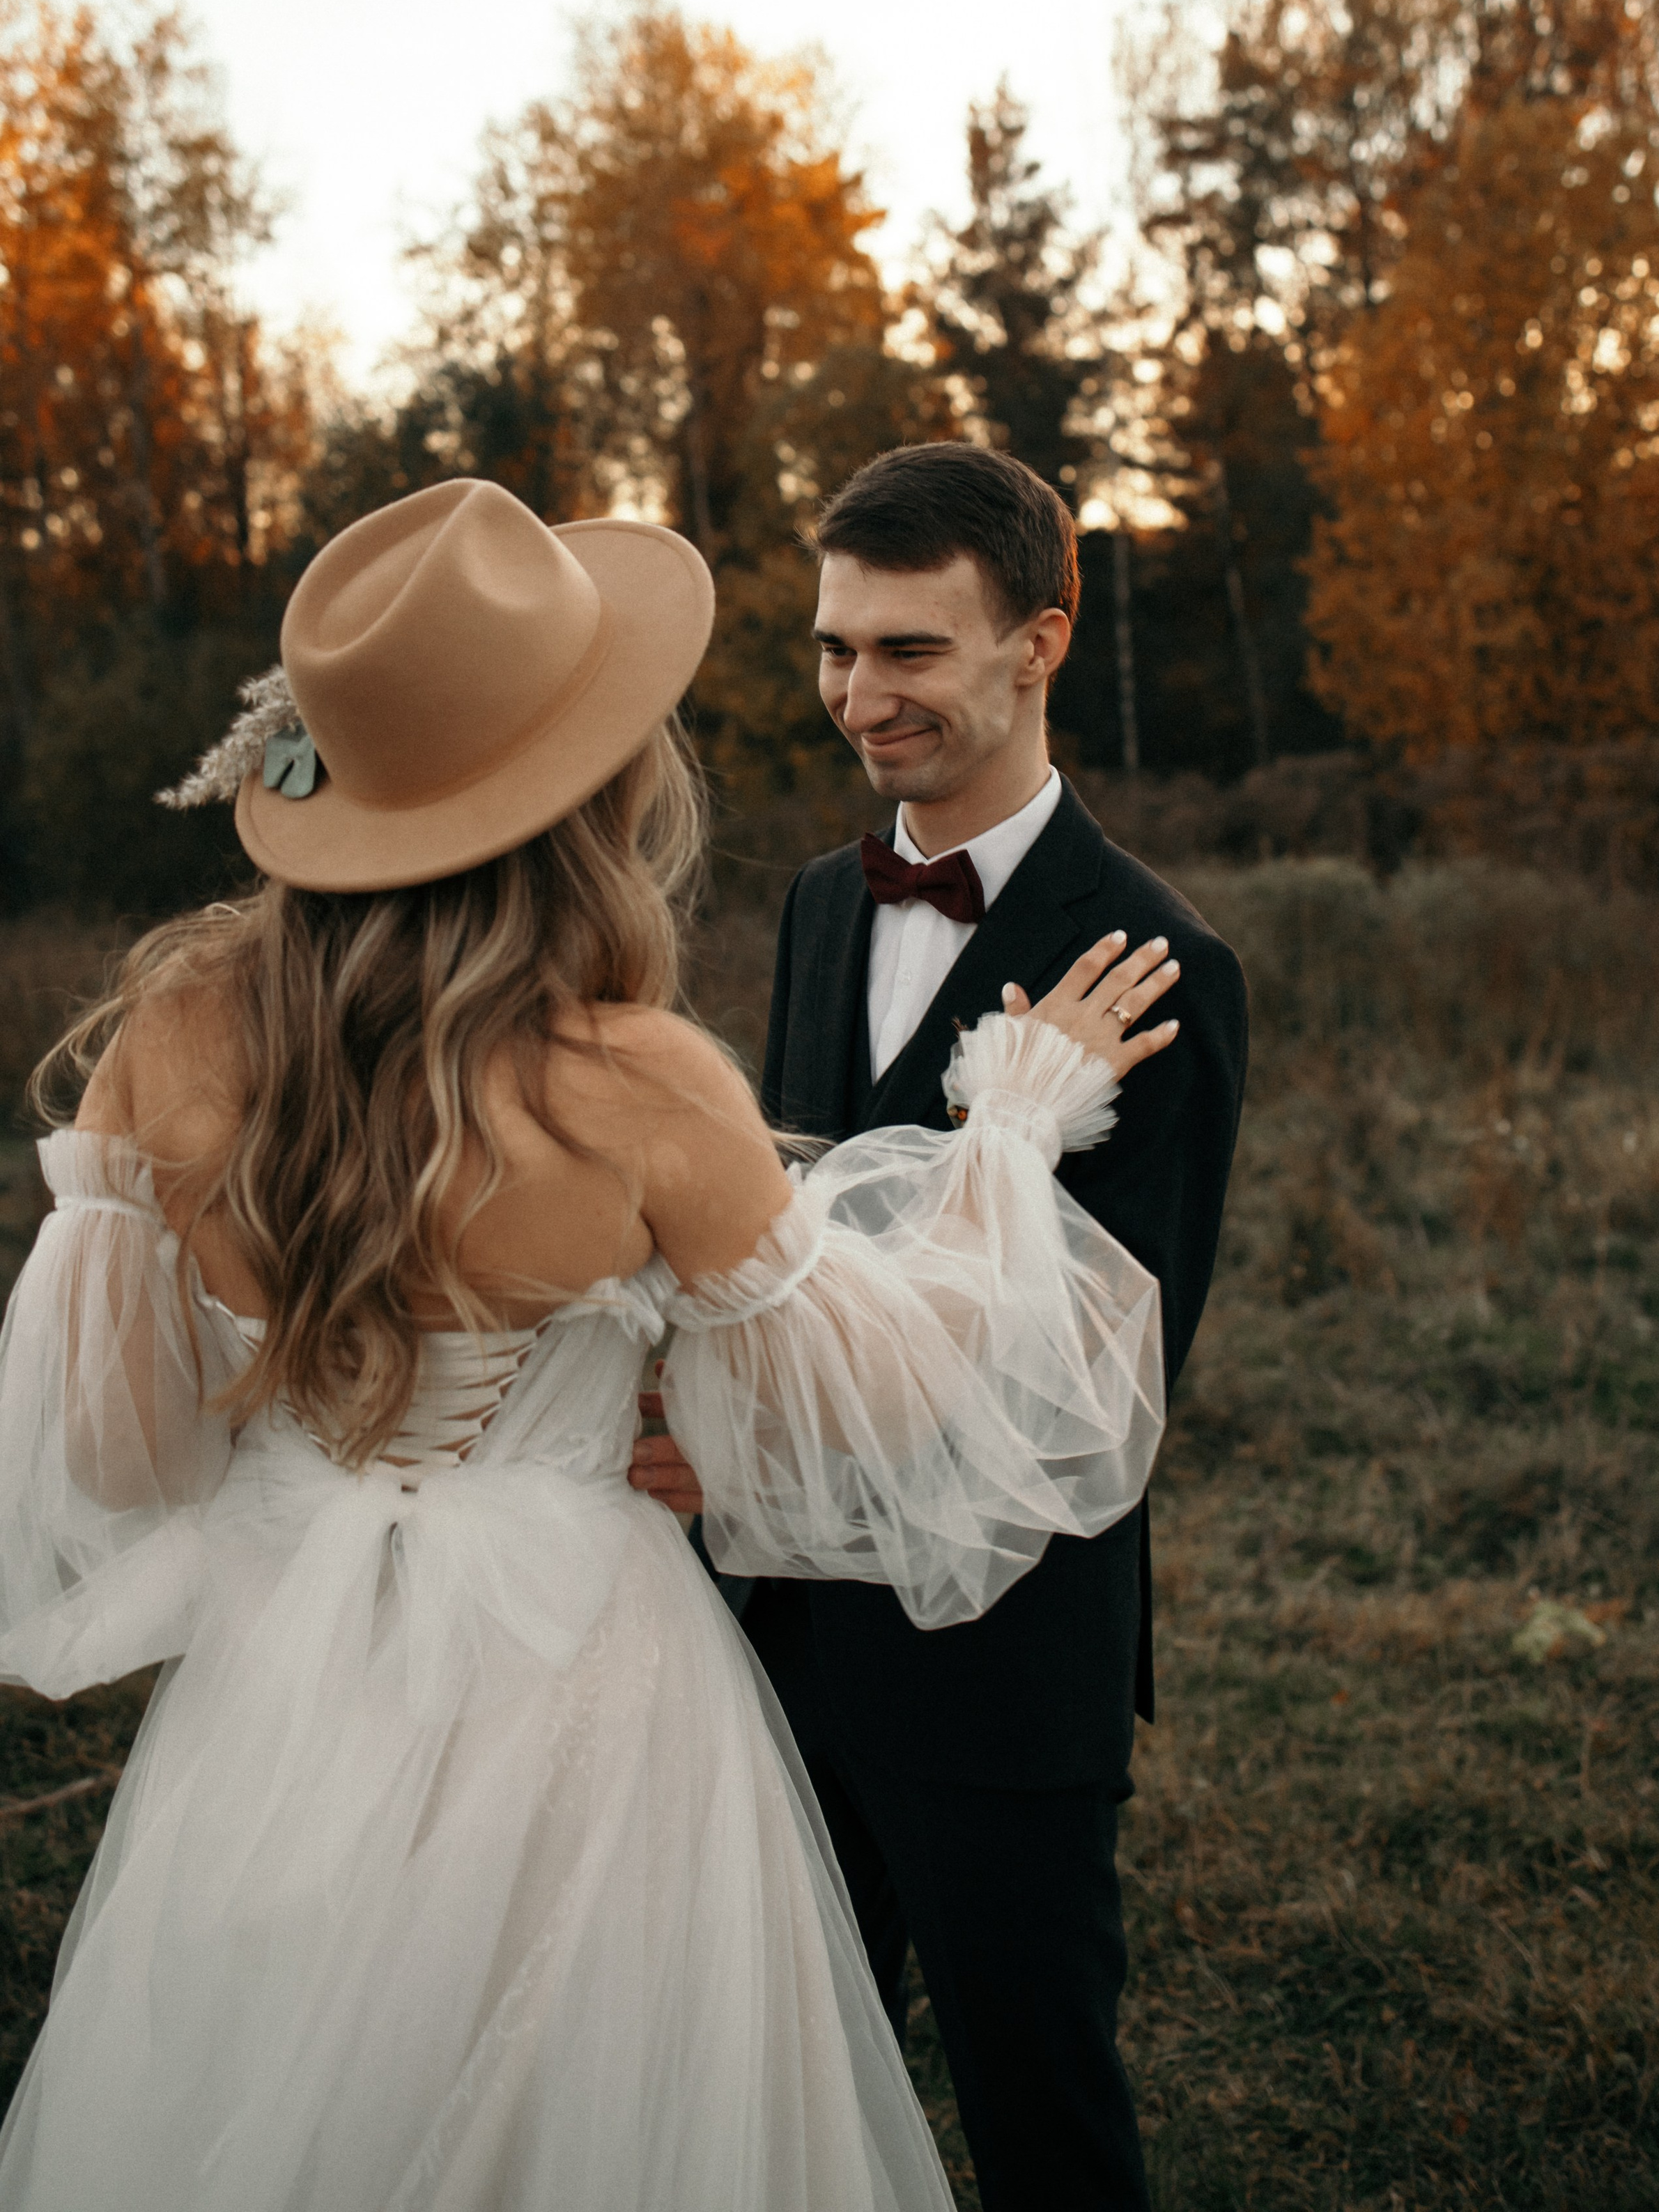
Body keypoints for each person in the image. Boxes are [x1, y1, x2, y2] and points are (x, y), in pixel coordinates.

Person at [0, 474, 1183, 2212]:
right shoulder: (635, 1087)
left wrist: (314, 1438)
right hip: (586, 1694)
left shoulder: (162, 1040)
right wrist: (1002, 1137)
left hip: (287, 1686)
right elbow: (892, 1413)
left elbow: (119, 1457)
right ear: (593, 790)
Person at [633, 443, 1248, 2212]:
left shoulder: (1155, 962)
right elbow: (791, 1235)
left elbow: (1096, 1384)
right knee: (786, 2081)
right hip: (784, 1630)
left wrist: (751, 1440)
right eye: (833, 649)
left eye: (905, 651)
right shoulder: (827, 901)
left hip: (1000, 1657)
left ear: (1038, 642)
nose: (853, 694)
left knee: (1036, 2100)